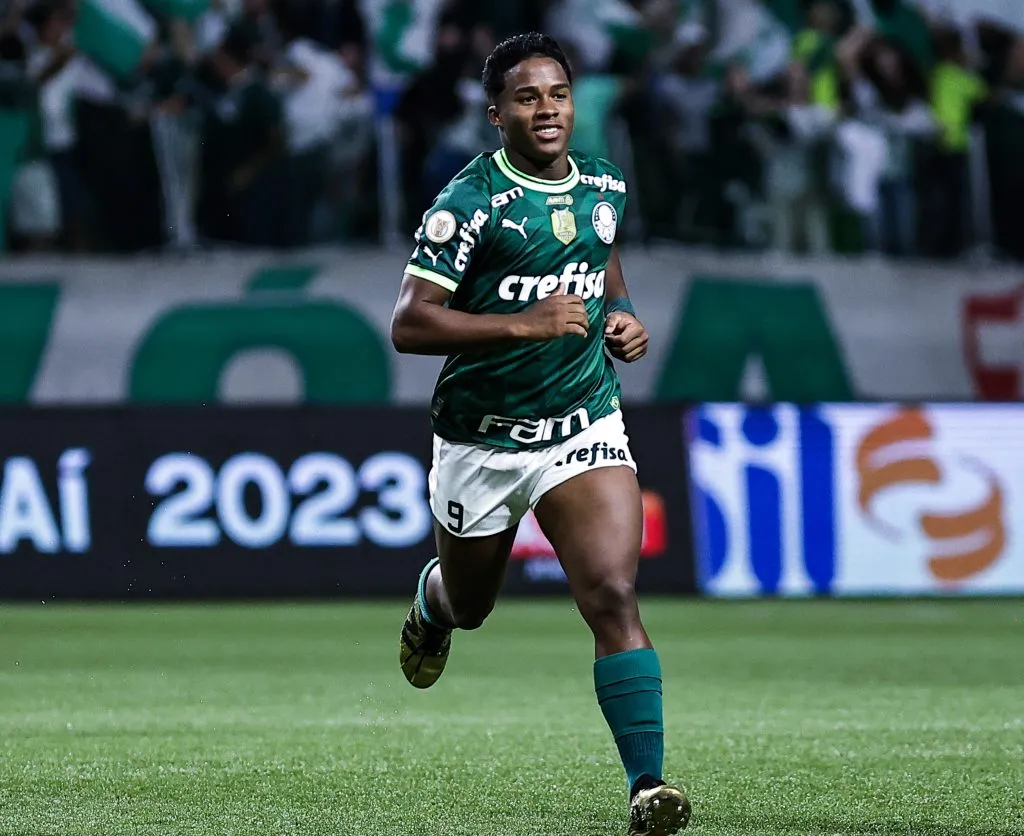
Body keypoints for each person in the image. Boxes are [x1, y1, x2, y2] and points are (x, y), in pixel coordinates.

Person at [389, 32, 691, 836]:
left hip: (581, 423)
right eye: (526, 98)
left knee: (613, 594)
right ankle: (432, 602)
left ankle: (647, 785)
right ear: (497, 114)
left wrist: (620, 316)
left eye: (556, 93)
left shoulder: (602, 181)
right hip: (481, 438)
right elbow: (409, 325)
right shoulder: (468, 203)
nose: (546, 109)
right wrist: (522, 324)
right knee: (473, 603)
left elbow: (602, 265)